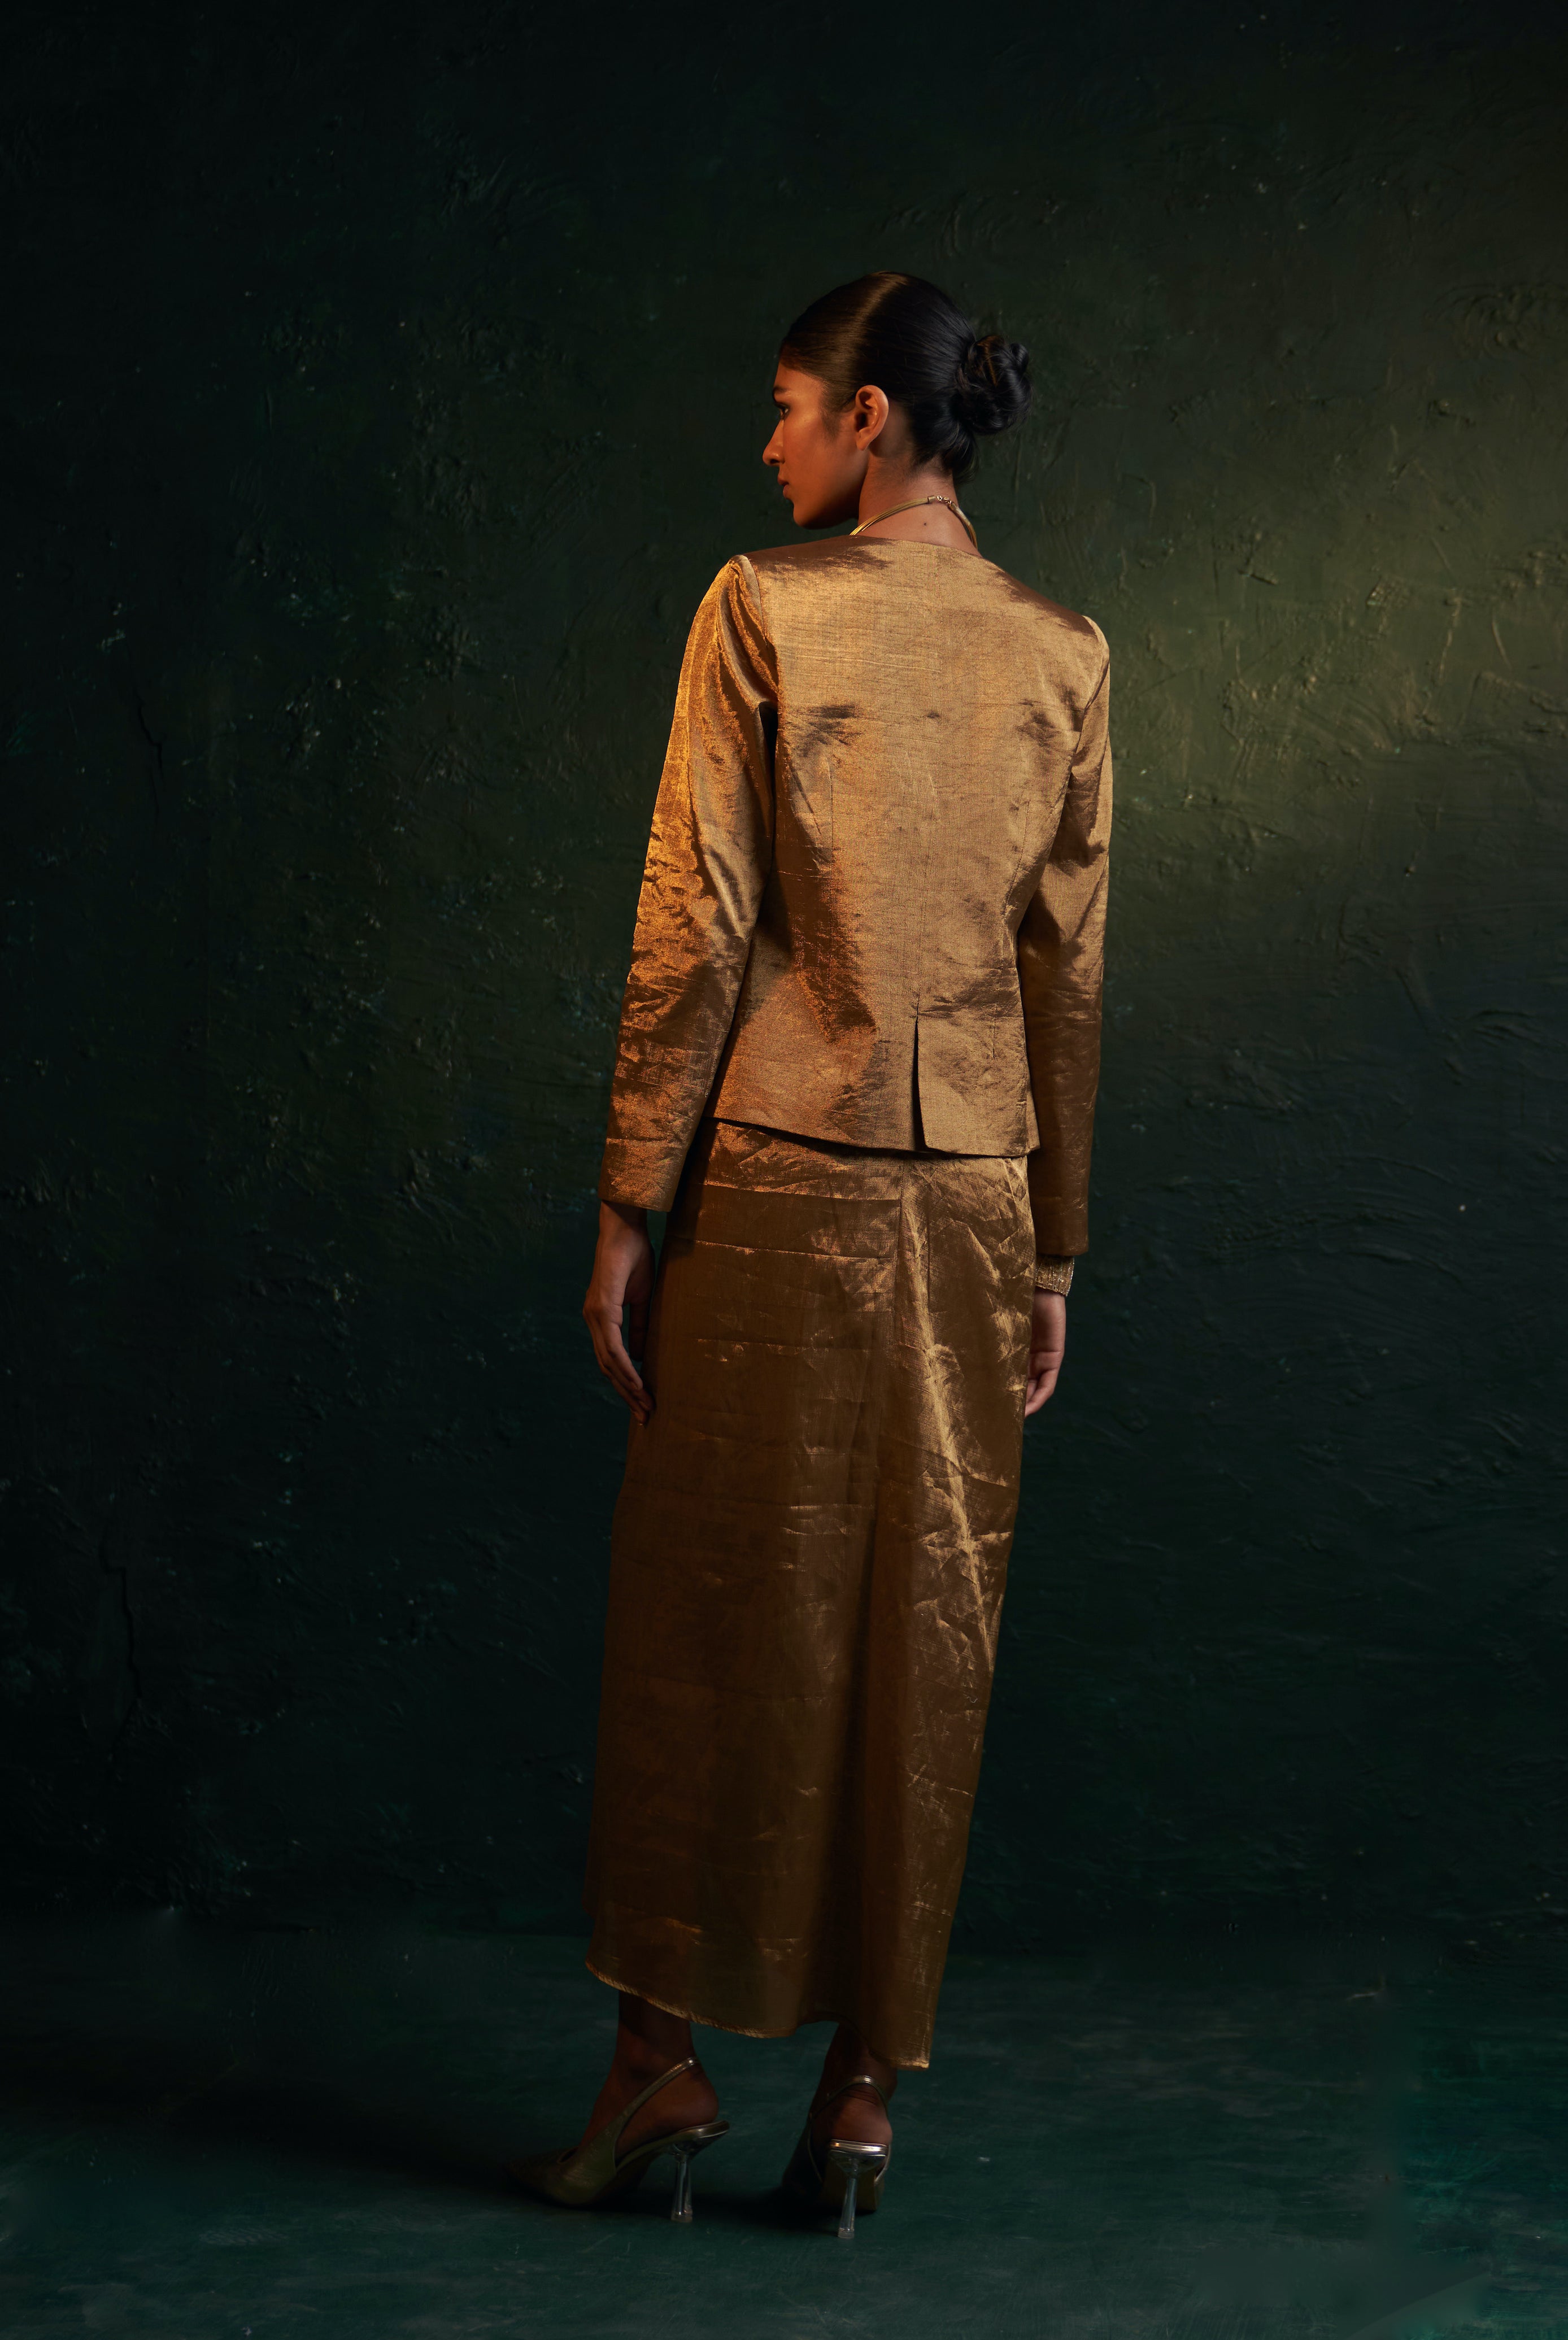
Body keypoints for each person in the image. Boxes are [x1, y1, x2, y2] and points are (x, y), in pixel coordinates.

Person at [513, 271, 1112, 2236]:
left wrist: (630, 1202)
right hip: (975, 1194)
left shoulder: (762, 604)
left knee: (708, 1613)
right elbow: (1066, 972)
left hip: (779, 1169)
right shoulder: (1064, 653)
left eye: (787, 405)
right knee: (927, 1628)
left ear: (870, 420)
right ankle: (861, 2093)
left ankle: (657, 2059)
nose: (766, 442)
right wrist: (1054, 1250)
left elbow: (697, 915)